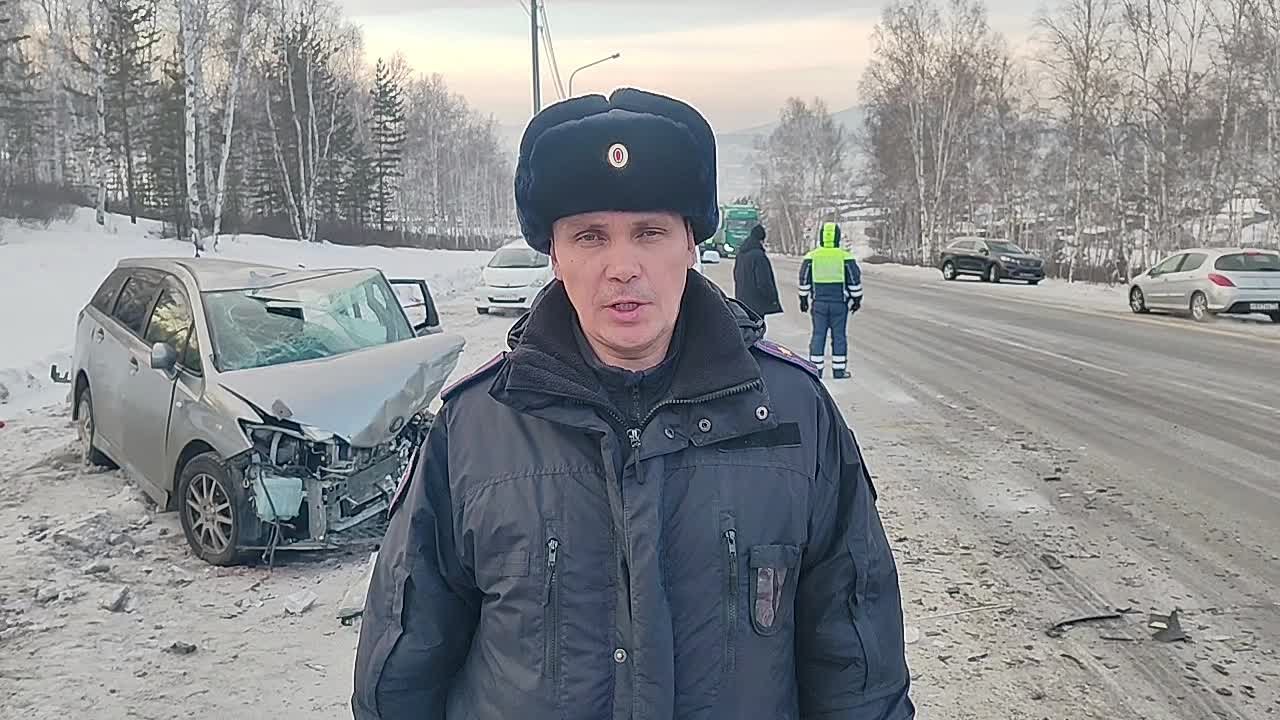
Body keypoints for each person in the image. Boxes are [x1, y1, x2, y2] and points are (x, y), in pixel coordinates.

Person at [352, 88, 913, 720]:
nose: (623, 266)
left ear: (690, 245)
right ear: (556, 255)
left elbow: (858, 664)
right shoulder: (475, 426)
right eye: (590, 236)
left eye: (650, 232)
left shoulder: (792, 413)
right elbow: (402, 667)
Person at [798, 222, 863, 379]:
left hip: (819, 303)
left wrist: (803, 299)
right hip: (839, 303)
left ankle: (816, 370)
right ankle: (839, 371)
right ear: (837, 237)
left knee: (818, 335)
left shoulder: (812, 256)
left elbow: (804, 279)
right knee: (839, 336)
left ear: (821, 237)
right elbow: (854, 280)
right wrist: (856, 299)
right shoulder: (845, 257)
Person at [731, 223, 783, 319]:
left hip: (742, 301)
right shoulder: (759, 256)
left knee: (747, 326)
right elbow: (764, 281)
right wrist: (772, 298)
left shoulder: (741, 254)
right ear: (761, 239)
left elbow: (736, 275)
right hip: (757, 304)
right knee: (758, 326)